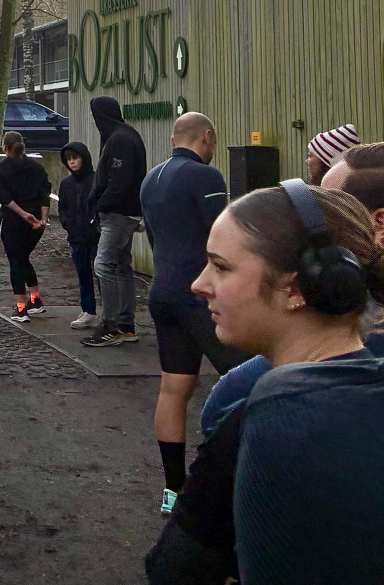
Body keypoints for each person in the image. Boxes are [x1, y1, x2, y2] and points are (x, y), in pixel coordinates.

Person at [145, 180, 384, 585]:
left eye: (221, 266)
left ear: (295, 287)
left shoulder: (260, 418)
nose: (199, 284)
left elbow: (172, 574)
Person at [197, 140, 384, 434]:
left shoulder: (357, 320)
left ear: (380, 223)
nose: (311, 219)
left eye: (329, 205)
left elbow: (225, 409)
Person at [139, 111, 247, 514]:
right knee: (245, 384)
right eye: (214, 143)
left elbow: (154, 235)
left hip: (162, 291)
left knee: (173, 389)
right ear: (206, 137)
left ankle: (173, 491)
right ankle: (233, 483)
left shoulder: (152, 178)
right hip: (200, 295)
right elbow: (222, 238)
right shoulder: (206, 178)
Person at [85, 96, 148, 346]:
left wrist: (101, 205)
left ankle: (110, 326)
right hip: (125, 211)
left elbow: (118, 181)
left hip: (117, 213)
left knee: (104, 265)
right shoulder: (124, 135)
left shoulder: (119, 139)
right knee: (121, 266)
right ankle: (125, 324)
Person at [0, 131, 51, 322]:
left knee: (16, 261)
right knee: (23, 258)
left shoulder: (0, 170)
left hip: (13, 221)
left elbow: (5, 198)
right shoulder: (37, 168)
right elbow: (45, 194)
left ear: (5, 147)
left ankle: (21, 307)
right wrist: (42, 219)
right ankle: (35, 299)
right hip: (35, 224)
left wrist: (24, 215)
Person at [56, 141, 100, 329]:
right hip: (76, 237)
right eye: (69, 160)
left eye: (75, 158)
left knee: (102, 275)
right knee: (83, 275)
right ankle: (88, 310)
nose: (72, 163)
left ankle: (109, 312)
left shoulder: (97, 180)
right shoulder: (66, 184)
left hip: (96, 237)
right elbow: (63, 208)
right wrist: (69, 226)